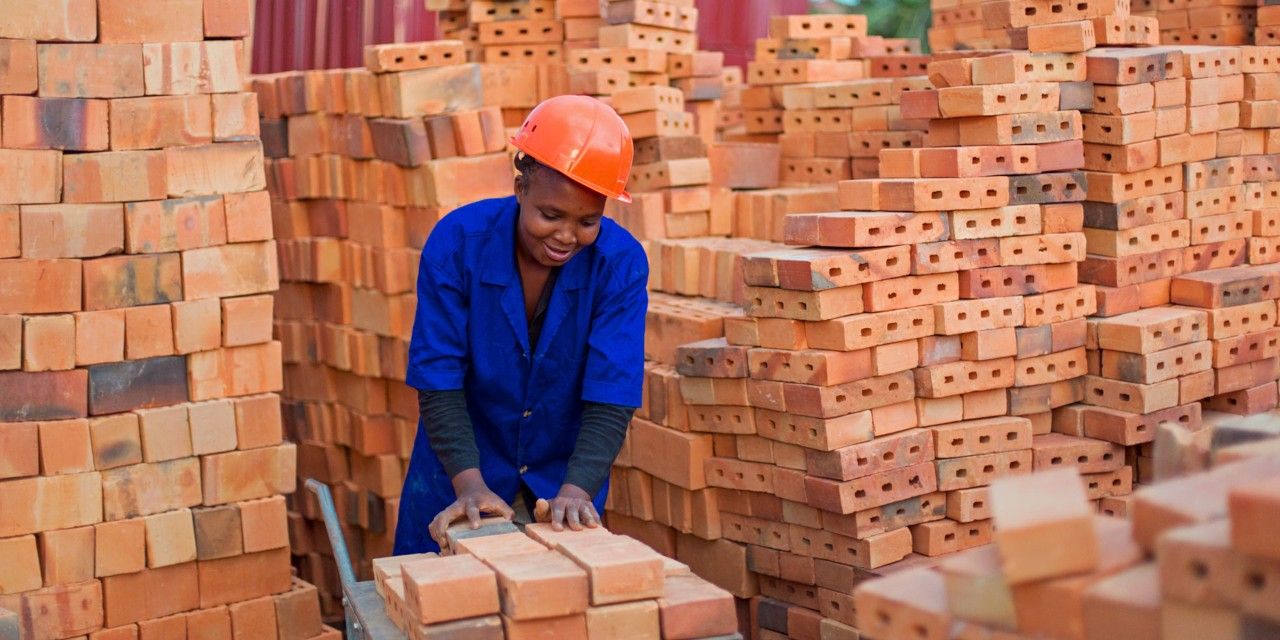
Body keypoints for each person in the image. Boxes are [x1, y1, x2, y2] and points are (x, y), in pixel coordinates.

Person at [393, 95, 648, 554]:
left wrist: (577, 490)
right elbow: (438, 376)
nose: (567, 236)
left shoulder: (620, 264)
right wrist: (469, 485)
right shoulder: (457, 244)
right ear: (520, 188)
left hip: (562, 480)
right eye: (550, 215)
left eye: (588, 221)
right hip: (460, 469)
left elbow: (613, 391)